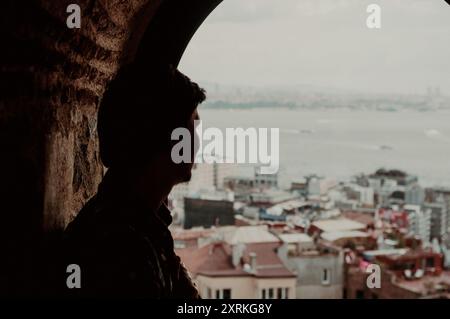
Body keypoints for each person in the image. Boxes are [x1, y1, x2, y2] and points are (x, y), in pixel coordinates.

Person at [61, 63, 206, 298]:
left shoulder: (138, 224)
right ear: (165, 137)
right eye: (193, 126)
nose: (198, 142)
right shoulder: (120, 248)